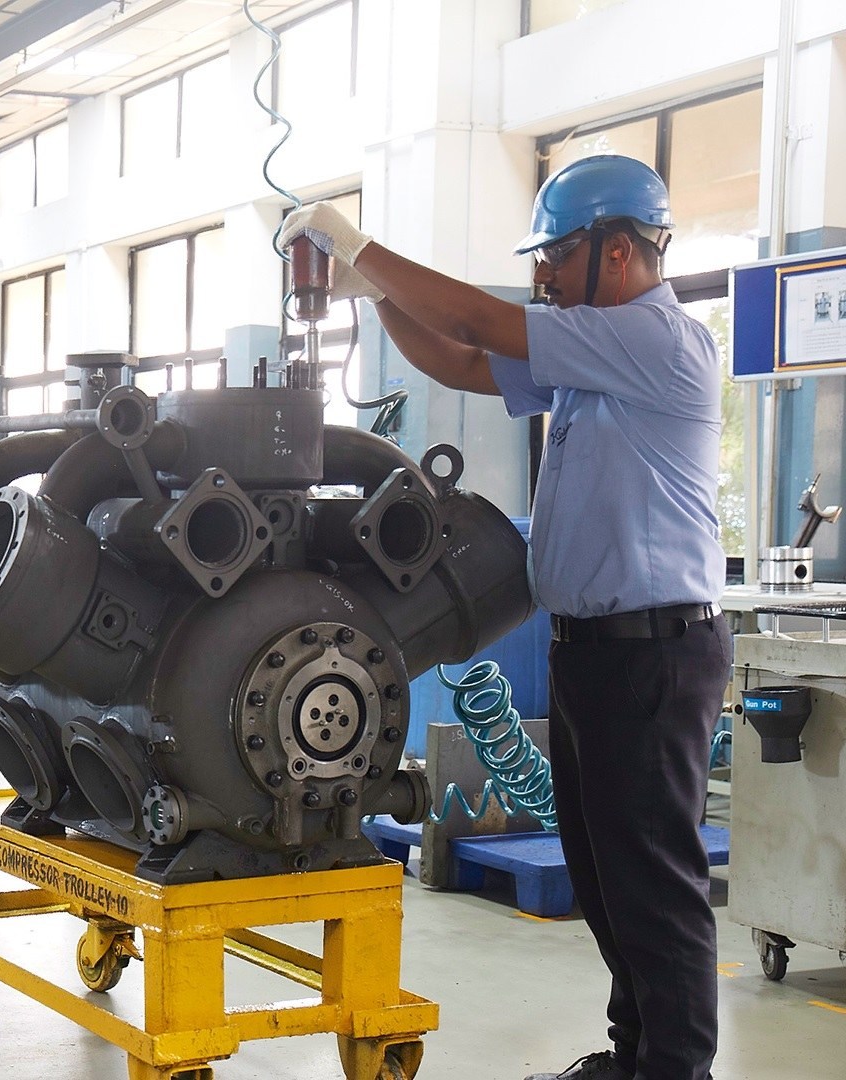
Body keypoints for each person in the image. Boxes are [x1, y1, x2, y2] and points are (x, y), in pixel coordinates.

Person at [283, 155, 727, 1080]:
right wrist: (373, 294)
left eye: (556, 255)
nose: (544, 274)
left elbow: (476, 322)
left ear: (618, 251)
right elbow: (459, 360)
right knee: (606, 875)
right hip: (596, 655)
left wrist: (363, 249)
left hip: (653, 654)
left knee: (652, 878)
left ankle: (674, 1068)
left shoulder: (659, 340)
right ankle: (635, 1054)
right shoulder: (589, 356)